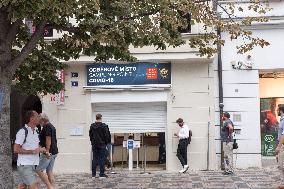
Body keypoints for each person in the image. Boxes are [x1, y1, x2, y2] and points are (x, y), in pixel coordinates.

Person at [14, 110, 46, 189]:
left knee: (22, 185)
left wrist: (42, 150)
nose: (39, 118)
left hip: (33, 164)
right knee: (34, 186)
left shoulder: (36, 130)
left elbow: (36, 145)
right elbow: (16, 149)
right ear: (31, 119)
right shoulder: (22, 132)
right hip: (25, 165)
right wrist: (33, 151)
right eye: (37, 116)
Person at [36, 113, 58, 189]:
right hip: (54, 152)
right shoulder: (52, 126)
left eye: (39, 121)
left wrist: (47, 151)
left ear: (43, 120)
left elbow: (48, 139)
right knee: (49, 171)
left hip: (48, 152)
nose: (39, 123)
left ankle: (50, 187)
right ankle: (52, 187)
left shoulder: (46, 126)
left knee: (39, 170)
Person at [89, 113, 111, 178]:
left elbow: (90, 136)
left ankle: (93, 175)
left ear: (96, 118)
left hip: (94, 145)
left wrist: (92, 142)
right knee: (102, 159)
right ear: (101, 118)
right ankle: (101, 174)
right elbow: (107, 136)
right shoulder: (104, 126)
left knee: (94, 159)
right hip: (102, 145)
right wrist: (107, 143)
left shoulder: (92, 126)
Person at [275, 105, 284, 189]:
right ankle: (282, 183)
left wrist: (278, 146)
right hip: (281, 144)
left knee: (281, 165)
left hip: (282, 145)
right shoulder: (281, 120)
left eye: (277, 109)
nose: (277, 111)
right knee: (280, 164)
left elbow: (283, 134)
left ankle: (282, 184)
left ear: (281, 110)